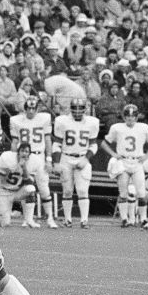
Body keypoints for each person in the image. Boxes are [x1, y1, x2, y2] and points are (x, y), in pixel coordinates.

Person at [101, 104, 148, 228]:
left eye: (133, 116)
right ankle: (125, 218)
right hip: (124, 161)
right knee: (123, 192)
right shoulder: (117, 127)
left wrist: (147, 155)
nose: (130, 119)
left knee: (141, 192)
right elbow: (104, 143)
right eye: (128, 116)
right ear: (124, 117)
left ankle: (143, 219)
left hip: (137, 162)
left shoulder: (144, 127)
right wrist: (114, 154)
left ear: (137, 117)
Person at [8, 95, 58, 228]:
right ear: (24, 108)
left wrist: (49, 159)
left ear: (37, 109)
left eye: (33, 108)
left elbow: (48, 140)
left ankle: (50, 219)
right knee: (27, 188)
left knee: (44, 189)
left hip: (39, 156)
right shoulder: (16, 120)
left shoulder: (44, 118)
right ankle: (28, 219)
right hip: (24, 157)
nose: (31, 111)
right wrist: (14, 159)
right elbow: (14, 142)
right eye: (28, 108)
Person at [51, 97, 101, 228]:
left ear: (85, 109)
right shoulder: (62, 121)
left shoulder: (92, 122)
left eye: (80, 108)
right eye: (75, 108)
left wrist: (86, 158)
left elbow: (94, 145)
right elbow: (56, 144)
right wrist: (56, 163)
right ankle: (68, 220)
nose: (78, 111)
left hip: (82, 157)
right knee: (67, 190)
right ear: (71, 109)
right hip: (66, 158)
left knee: (83, 190)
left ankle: (84, 220)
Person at [0, 142, 37, 228]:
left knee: (31, 189)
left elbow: (29, 183)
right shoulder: (7, 158)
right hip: (4, 192)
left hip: (17, 192)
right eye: (22, 151)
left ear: (29, 154)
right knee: (5, 224)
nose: (24, 153)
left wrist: (24, 168)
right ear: (18, 151)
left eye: (27, 151)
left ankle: (29, 220)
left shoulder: (33, 162)